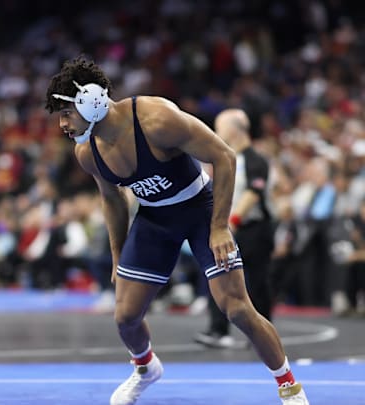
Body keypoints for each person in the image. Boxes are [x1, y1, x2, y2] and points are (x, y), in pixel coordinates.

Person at [45, 56, 308, 405]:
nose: (63, 124)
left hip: (199, 210)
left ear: (90, 100)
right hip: (155, 220)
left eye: (66, 113)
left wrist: (219, 228)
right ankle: (146, 367)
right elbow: (112, 199)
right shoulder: (88, 152)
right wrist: (117, 254)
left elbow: (225, 156)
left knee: (237, 308)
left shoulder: (156, 118)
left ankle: (290, 388)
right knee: (125, 316)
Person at [194, 109, 275, 348]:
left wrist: (233, 220)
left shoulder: (254, 159)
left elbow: (254, 193)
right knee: (217, 275)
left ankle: (262, 334)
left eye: (220, 127)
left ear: (233, 129)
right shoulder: (223, 160)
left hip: (253, 229)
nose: (216, 133)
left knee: (257, 281)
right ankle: (218, 330)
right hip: (226, 228)